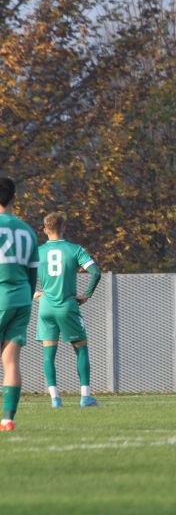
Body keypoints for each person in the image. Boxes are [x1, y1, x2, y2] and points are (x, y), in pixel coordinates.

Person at [34, 212, 102, 408]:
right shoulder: (74, 249)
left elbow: (23, 275)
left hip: (46, 306)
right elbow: (95, 272)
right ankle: (85, 397)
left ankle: (55, 399)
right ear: (63, 228)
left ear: (45, 230)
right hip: (66, 305)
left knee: (48, 355)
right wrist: (87, 294)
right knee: (81, 349)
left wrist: (34, 293)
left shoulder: (37, 252)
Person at [0, 177, 39, 430]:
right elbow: (34, 271)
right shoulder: (27, 230)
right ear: (13, 198)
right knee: (11, 360)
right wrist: (28, 294)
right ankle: (8, 419)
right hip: (23, 295)